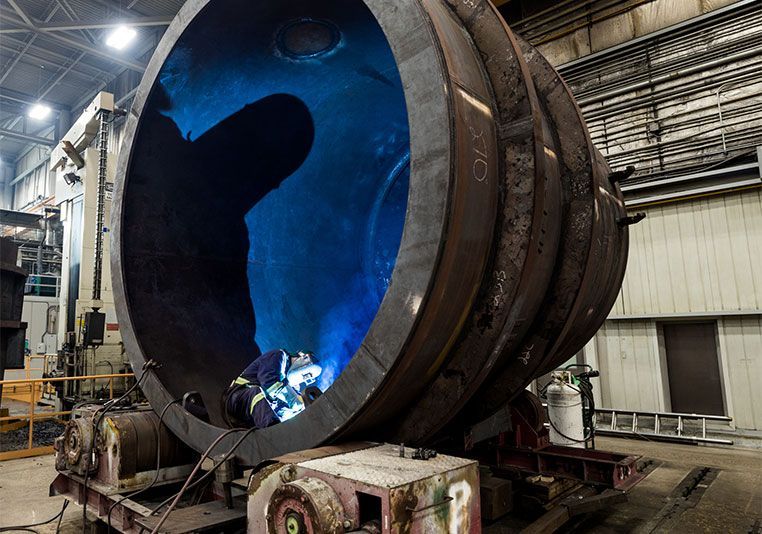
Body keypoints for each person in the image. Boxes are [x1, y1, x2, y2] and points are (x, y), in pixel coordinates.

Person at [222, 349, 322, 429]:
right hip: (236, 399)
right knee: (256, 392)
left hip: (248, 418)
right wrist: (296, 402)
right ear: (303, 357)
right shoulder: (279, 356)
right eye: (305, 374)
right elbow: (270, 383)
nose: (304, 378)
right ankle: (273, 431)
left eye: (308, 378)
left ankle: (275, 430)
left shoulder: (289, 384)